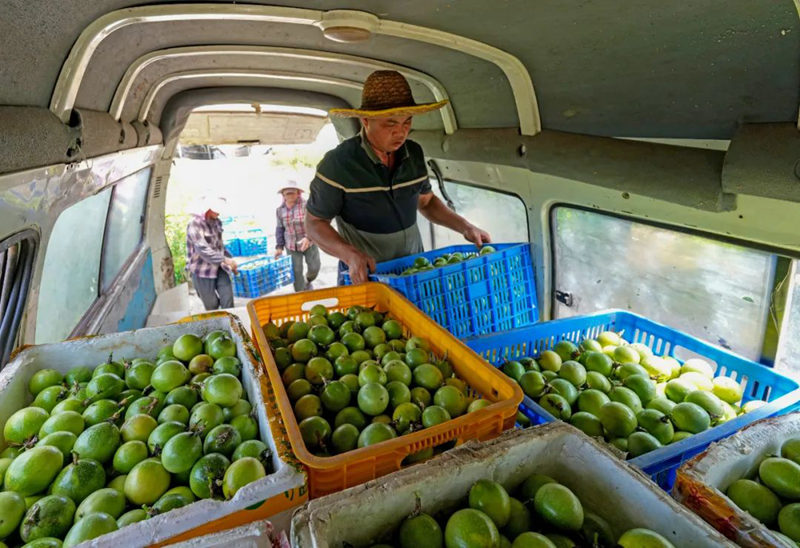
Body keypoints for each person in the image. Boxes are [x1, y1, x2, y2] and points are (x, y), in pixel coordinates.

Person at [304, 70, 491, 284]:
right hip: (367, 275)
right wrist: (349, 254)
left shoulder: (414, 154)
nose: (400, 133)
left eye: (406, 123)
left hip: (414, 270)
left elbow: (427, 202)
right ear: (366, 120)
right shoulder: (338, 164)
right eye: (390, 124)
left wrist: (466, 227)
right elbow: (314, 223)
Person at [186, 196, 238, 310]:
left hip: (219, 268)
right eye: (216, 209)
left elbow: (219, 246)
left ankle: (230, 323)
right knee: (211, 305)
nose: (219, 213)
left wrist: (230, 261)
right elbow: (203, 249)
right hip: (202, 271)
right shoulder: (195, 224)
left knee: (227, 299)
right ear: (208, 209)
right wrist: (225, 260)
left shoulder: (217, 222)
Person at [274, 179, 320, 291]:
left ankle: (308, 280)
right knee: (296, 271)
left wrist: (308, 238)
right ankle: (300, 294)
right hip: (291, 245)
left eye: (292, 192)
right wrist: (279, 247)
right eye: (287, 193)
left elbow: (314, 223)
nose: (290, 195)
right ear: (283, 195)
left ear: (298, 193)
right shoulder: (280, 210)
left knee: (314, 267)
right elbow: (280, 228)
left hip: (309, 242)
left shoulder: (307, 205)